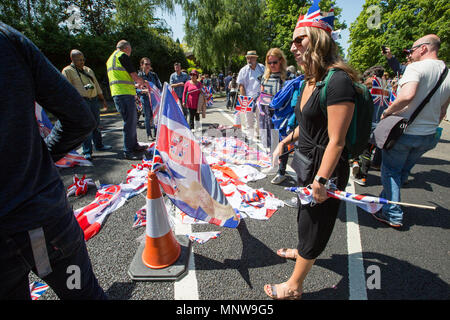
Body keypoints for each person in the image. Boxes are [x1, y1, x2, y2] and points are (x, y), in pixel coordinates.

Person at [0, 22, 106, 300]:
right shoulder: (8, 40)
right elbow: (79, 117)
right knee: (82, 295)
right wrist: (39, 158)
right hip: (40, 218)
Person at [264, 5, 357, 300]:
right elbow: (307, 125)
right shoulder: (310, 79)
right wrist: (285, 142)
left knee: (316, 224)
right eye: (293, 41)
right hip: (305, 163)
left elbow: (337, 140)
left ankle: (294, 287)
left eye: (299, 40)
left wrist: (322, 180)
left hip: (323, 169)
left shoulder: (338, 80)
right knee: (305, 216)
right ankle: (301, 250)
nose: (293, 47)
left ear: (317, 39)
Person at [375, 34, 450, 228]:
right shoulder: (447, 72)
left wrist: (387, 112)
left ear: (424, 48)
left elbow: (407, 96)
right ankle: (387, 202)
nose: (411, 53)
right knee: (401, 172)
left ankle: (392, 213)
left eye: (412, 49)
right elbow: (443, 110)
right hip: (427, 135)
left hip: (406, 131)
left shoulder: (415, 68)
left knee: (391, 171)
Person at [62, 49, 112, 161]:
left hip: (93, 99)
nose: (81, 61)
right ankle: (87, 151)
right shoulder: (67, 71)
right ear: (72, 59)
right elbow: (66, 88)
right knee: (86, 126)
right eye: (79, 59)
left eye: (82, 59)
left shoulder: (88, 70)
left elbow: (96, 85)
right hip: (81, 101)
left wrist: (102, 99)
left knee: (96, 124)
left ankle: (99, 145)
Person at [106, 40, 148, 160]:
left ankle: (134, 145)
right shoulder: (121, 56)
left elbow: (122, 78)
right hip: (124, 94)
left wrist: (136, 85)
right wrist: (144, 83)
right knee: (129, 122)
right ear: (126, 48)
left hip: (119, 93)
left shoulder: (110, 59)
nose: (130, 53)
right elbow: (134, 75)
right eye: (130, 50)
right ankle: (128, 150)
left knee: (132, 120)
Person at [258, 48, 289, 185]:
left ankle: (281, 171)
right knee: (270, 140)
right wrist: (260, 102)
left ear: (281, 61)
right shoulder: (265, 77)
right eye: (269, 63)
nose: (272, 65)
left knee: (282, 141)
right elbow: (262, 93)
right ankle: (274, 164)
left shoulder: (287, 77)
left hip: (280, 113)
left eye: (274, 62)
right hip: (266, 112)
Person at [237, 50, 265, 138]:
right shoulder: (243, 70)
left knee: (260, 117)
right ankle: (251, 135)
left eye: (251, 58)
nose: (249, 60)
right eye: (248, 58)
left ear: (255, 58)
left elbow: (266, 81)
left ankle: (258, 134)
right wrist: (244, 99)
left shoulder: (262, 68)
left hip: (260, 97)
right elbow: (241, 85)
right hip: (247, 97)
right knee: (248, 118)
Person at [137, 57, 162, 141]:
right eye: (146, 64)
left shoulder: (154, 75)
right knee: (147, 117)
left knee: (156, 116)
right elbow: (135, 88)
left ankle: (157, 134)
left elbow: (159, 86)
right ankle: (149, 135)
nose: (148, 66)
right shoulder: (139, 76)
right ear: (142, 65)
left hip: (155, 99)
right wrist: (143, 91)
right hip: (145, 99)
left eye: (149, 64)